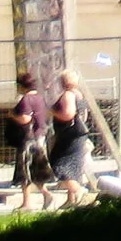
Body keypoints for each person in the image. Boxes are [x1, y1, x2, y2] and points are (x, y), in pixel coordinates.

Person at [48, 69, 95, 206]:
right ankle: (71, 200)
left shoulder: (68, 95)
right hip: (77, 134)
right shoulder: (79, 95)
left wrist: (53, 112)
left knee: (59, 164)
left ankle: (79, 190)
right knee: (73, 166)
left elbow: (68, 114)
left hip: (68, 134)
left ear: (62, 82)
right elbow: (84, 115)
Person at [9, 71, 54, 211]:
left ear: (22, 86)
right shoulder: (40, 99)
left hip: (28, 140)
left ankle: (27, 203)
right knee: (37, 170)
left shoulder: (26, 100)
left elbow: (25, 119)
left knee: (25, 171)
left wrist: (12, 115)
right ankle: (46, 194)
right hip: (40, 138)